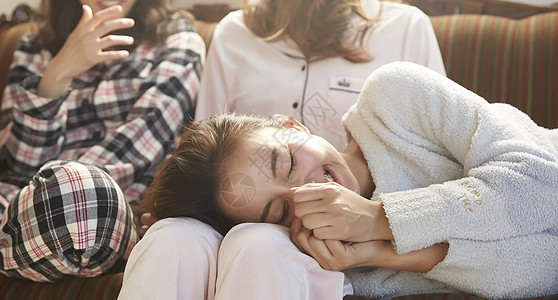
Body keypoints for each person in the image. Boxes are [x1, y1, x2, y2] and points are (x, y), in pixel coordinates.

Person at [120, 62, 558, 299]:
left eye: (286, 162)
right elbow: (545, 266)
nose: (307, 193)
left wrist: (375, 219)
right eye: (280, 211)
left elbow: (543, 184)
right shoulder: (343, 268)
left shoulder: (393, 98)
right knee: (176, 237)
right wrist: (380, 254)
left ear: (290, 124)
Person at [0, 0, 205, 282]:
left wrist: (56, 185)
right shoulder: (35, 45)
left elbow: (138, 147)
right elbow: (21, 164)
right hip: (20, 196)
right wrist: (58, 72)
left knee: (83, 195)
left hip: (107, 207)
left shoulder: (177, 40)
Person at [194, 0, 446, 151]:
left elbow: (437, 155)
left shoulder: (408, 28)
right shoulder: (233, 32)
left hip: (364, 217)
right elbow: (204, 149)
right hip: (248, 216)